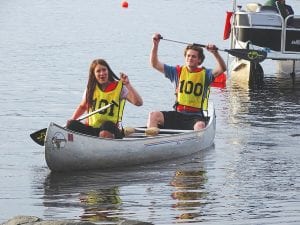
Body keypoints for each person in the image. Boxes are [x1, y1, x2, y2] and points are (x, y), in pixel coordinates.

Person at [147, 33, 226, 134]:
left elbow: (222, 68)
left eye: (193, 56)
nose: (190, 58)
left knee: (200, 126)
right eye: (188, 56)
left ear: (199, 60)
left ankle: (195, 144)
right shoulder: (176, 71)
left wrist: (215, 53)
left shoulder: (206, 74)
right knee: (153, 115)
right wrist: (155, 44)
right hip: (178, 114)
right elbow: (154, 64)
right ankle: (152, 142)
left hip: (195, 117)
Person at [67, 59, 143, 139]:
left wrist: (128, 84)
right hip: (93, 130)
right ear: (94, 74)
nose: (102, 73)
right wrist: (71, 120)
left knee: (106, 125)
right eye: (98, 71)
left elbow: (138, 102)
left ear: (108, 71)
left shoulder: (119, 88)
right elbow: (82, 107)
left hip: (111, 130)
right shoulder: (91, 88)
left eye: (104, 70)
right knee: (71, 124)